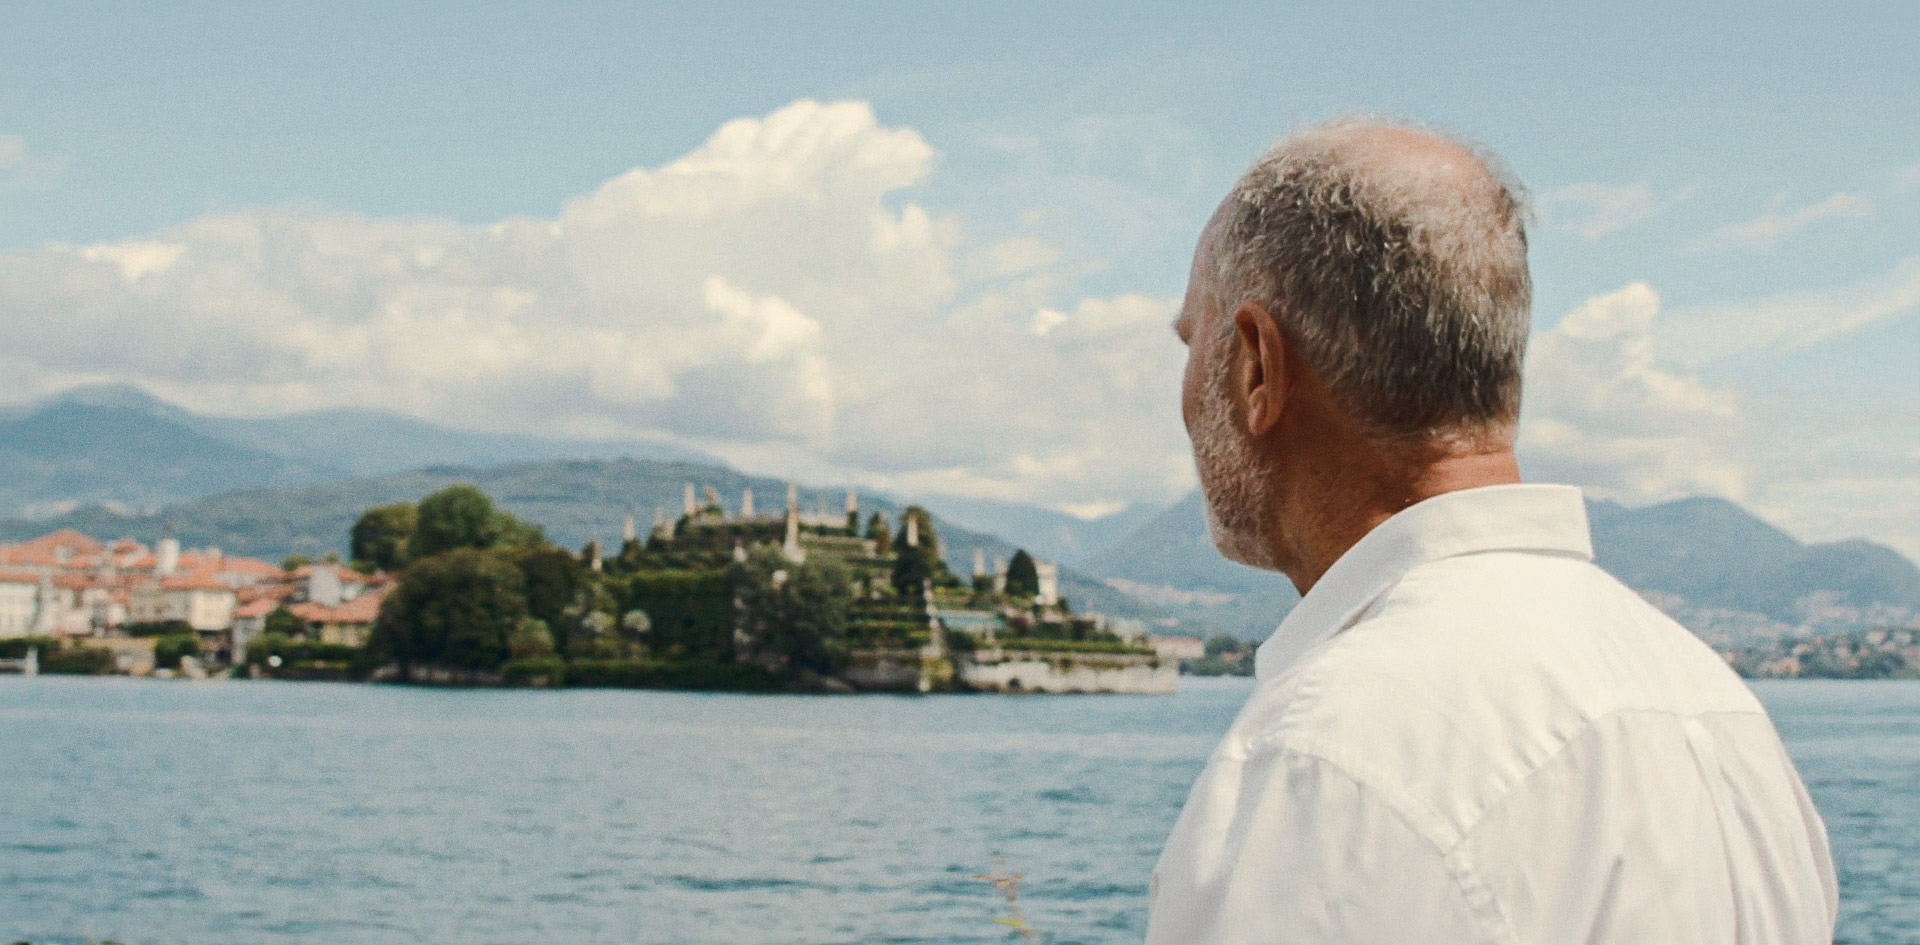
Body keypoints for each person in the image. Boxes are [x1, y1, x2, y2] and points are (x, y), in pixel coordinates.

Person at [1148, 119, 1836, 944]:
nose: (1184, 394)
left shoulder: (1328, 760)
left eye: (1195, 341)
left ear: (1257, 365)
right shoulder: (1721, 718)